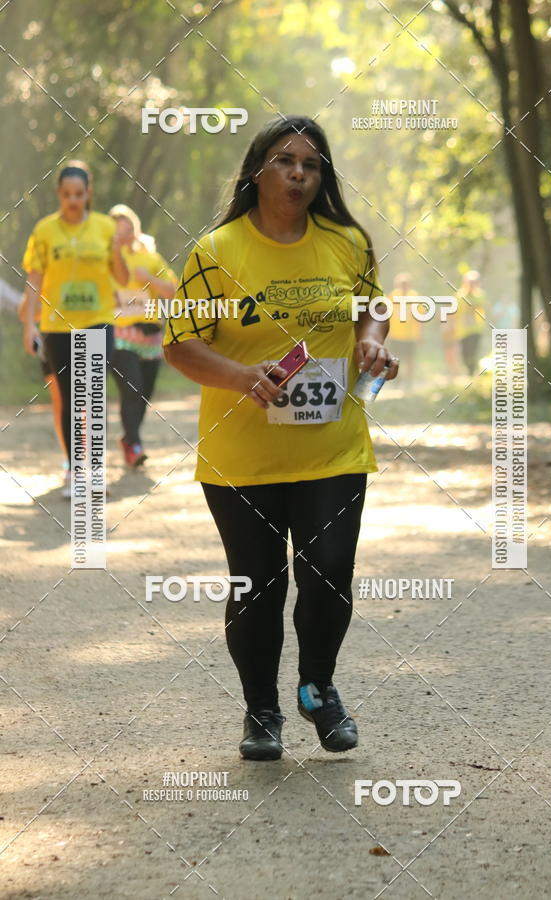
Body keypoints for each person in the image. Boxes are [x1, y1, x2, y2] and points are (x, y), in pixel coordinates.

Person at [164, 115, 399, 761]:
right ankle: (261, 713)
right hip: (242, 456)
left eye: (311, 164)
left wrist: (371, 344)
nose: (298, 173)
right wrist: (242, 376)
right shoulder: (216, 251)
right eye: (285, 161)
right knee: (258, 584)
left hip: (333, 448)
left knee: (329, 572)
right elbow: (180, 345)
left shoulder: (347, 242)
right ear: (258, 171)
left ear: (322, 177)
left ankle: (317, 690)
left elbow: (373, 308)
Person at [21, 164, 129, 497]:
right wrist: (29, 324)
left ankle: (96, 471)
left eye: (79, 194)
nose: (73, 201)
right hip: (57, 325)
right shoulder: (44, 231)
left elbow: (123, 278)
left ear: (88, 194)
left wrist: (116, 251)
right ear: (59, 194)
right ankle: (75, 472)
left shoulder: (105, 227)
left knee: (93, 396)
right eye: (67, 194)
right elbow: (35, 279)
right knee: (70, 399)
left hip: (98, 319)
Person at [108, 204, 177, 466]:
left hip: (150, 337)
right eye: (118, 232)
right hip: (120, 335)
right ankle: (135, 446)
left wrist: (149, 278)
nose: (124, 236)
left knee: (144, 393)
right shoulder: (105, 259)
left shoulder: (151, 257)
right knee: (132, 388)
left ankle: (129, 439)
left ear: (136, 231)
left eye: (128, 230)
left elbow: (173, 291)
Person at [18, 291, 67, 467]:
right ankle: (70, 458)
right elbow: (24, 312)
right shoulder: (45, 278)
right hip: (53, 339)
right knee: (61, 402)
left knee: (86, 401)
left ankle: (88, 460)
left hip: (88, 333)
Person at [387, 272, 421, 389]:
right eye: (401, 284)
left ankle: (409, 381)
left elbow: (419, 317)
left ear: (410, 285)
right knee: (395, 359)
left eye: (406, 284)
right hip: (395, 334)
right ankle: (397, 380)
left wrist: (419, 334)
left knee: (409, 360)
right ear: (397, 285)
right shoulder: (392, 296)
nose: (404, 286)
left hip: (410, 335)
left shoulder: (414, 297)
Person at [454, 270, 486, 376]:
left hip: (476, 329)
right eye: (470, 282)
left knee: (473, 350)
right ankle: (469, 369)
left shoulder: (480, 295)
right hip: (463, 330)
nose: (471, 284)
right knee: (465, 352)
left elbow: (482, 308)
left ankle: (472, 372)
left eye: (474, 282)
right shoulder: (459, 295)